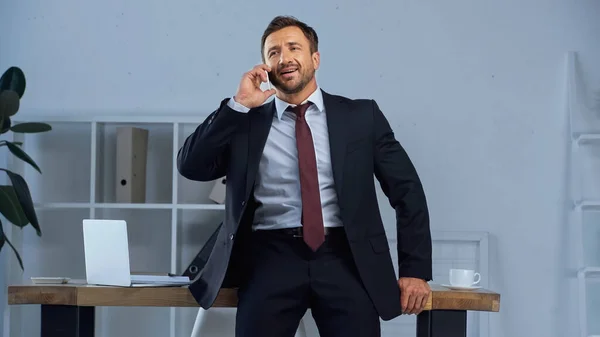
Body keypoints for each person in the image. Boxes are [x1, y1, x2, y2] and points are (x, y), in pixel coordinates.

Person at [177, 15, 433, 337]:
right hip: (270, 258)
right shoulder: (245, 121)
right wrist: (238, 105)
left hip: (346, 258)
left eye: (293, 47)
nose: (284, 58)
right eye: (273, 52)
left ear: (315, 58)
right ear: (266, 66)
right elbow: (191, 166)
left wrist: (415, 270)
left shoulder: (361, 117)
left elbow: (407, 190)